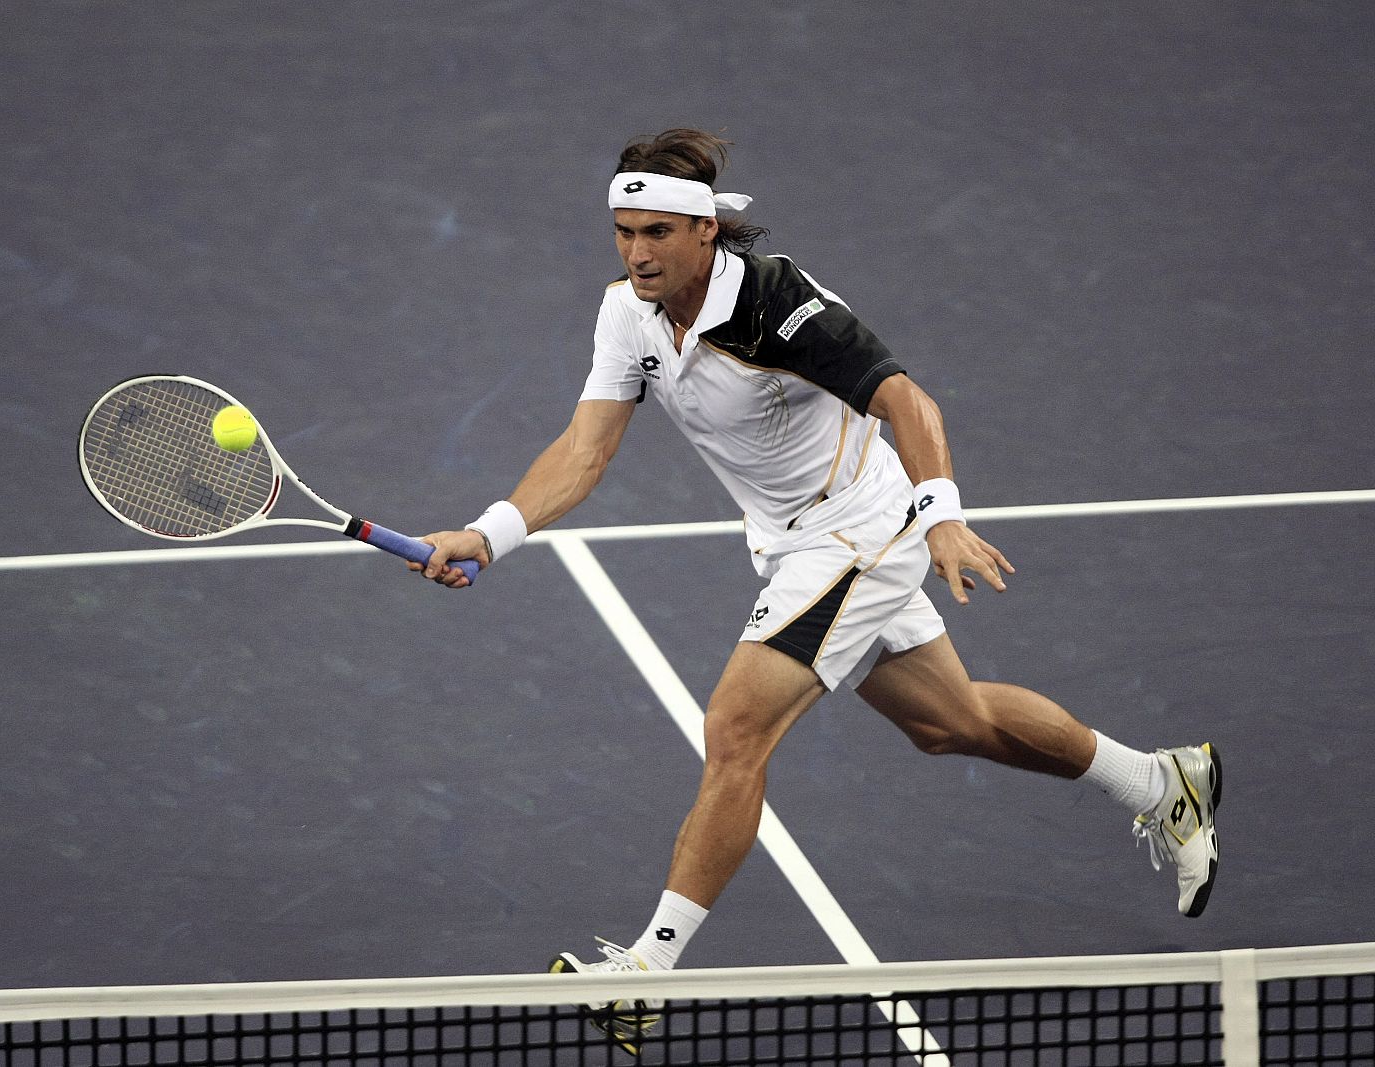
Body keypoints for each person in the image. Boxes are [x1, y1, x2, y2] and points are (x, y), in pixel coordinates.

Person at [413, 128, 1221, 1054]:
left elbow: (907, 401)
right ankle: (1162, 782)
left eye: (659, 234)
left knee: (735, 730)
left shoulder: (778, 306)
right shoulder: (626, 316)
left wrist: (942, 513)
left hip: (861, 532)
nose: (638, 251)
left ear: (706, 230)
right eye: (624, 232)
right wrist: (488, 533)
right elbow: (584, 450)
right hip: (790, 543)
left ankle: (645, 973)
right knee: (951, 722)